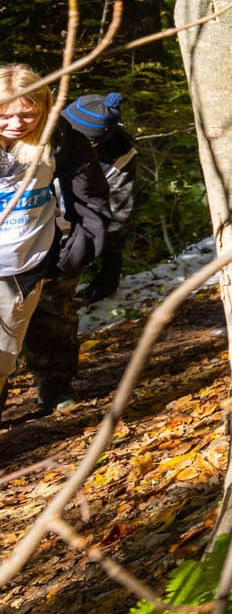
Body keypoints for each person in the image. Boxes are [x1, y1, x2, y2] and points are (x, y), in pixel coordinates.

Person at [0, 67, 113, 418]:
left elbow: (91, 196)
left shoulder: (60, 138)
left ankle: (54, 384)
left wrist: (73, 254)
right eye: (4, 114)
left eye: (28, 114)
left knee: (2, 358)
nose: (17, 124)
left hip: (22, 269)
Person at [23, 93, 135, 411]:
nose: (90, 148)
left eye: (96, 143)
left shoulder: (120, 152)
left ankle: (56, 388)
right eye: (84, 140)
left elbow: (116, 209)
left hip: (62, 244)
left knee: (54, 316)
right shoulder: (32, 137)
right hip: (14, 241)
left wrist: (106, 261)